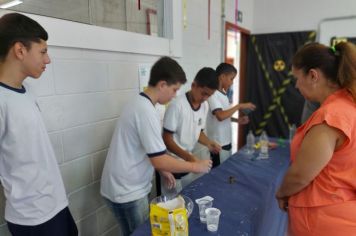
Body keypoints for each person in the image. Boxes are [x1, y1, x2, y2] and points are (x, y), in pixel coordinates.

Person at [100, 57, 212, 236]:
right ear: (162, 84)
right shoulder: (145, 110)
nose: (175, 95)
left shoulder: (140, 104)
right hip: (128, 192)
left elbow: (148, 149)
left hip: (123, 187)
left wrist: (163, 171)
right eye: (174, 89)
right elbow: (159, 159)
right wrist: (194, 165)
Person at [0, 13, 78, 236]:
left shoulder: (27, 92)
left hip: (55, 204)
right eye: (42, 52)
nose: (48, 60)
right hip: (33, 217)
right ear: (20, 50)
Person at [276, 42, 356, 236]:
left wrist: (281, 192)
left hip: (321, 217)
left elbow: (300, 176)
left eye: (296, 78)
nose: (295, 85)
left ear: (313, 75)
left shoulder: (330, 117)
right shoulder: (348, 106)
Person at [161, 67, 221, 194]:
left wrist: (209, 143)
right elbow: (166, 139)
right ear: (194, 85)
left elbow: (198, 131)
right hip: (172, 164)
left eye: (209, 95)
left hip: (188, 162)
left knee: (187, 197)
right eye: (204, 93)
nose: (205, 98)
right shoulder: (177, 105)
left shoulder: (204, 105)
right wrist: (189, 158)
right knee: (173, 206)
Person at [206, 63, 256, 167]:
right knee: (218, 174)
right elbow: (220, 116)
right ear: (222, 77)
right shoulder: (213, 94)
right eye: (231, 79)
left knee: (225, 171)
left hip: (226, 142)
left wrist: (237, 120)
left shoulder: (223, 94)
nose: (232, 82)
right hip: (218, 144)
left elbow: (225, 115)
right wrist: (239, 106)